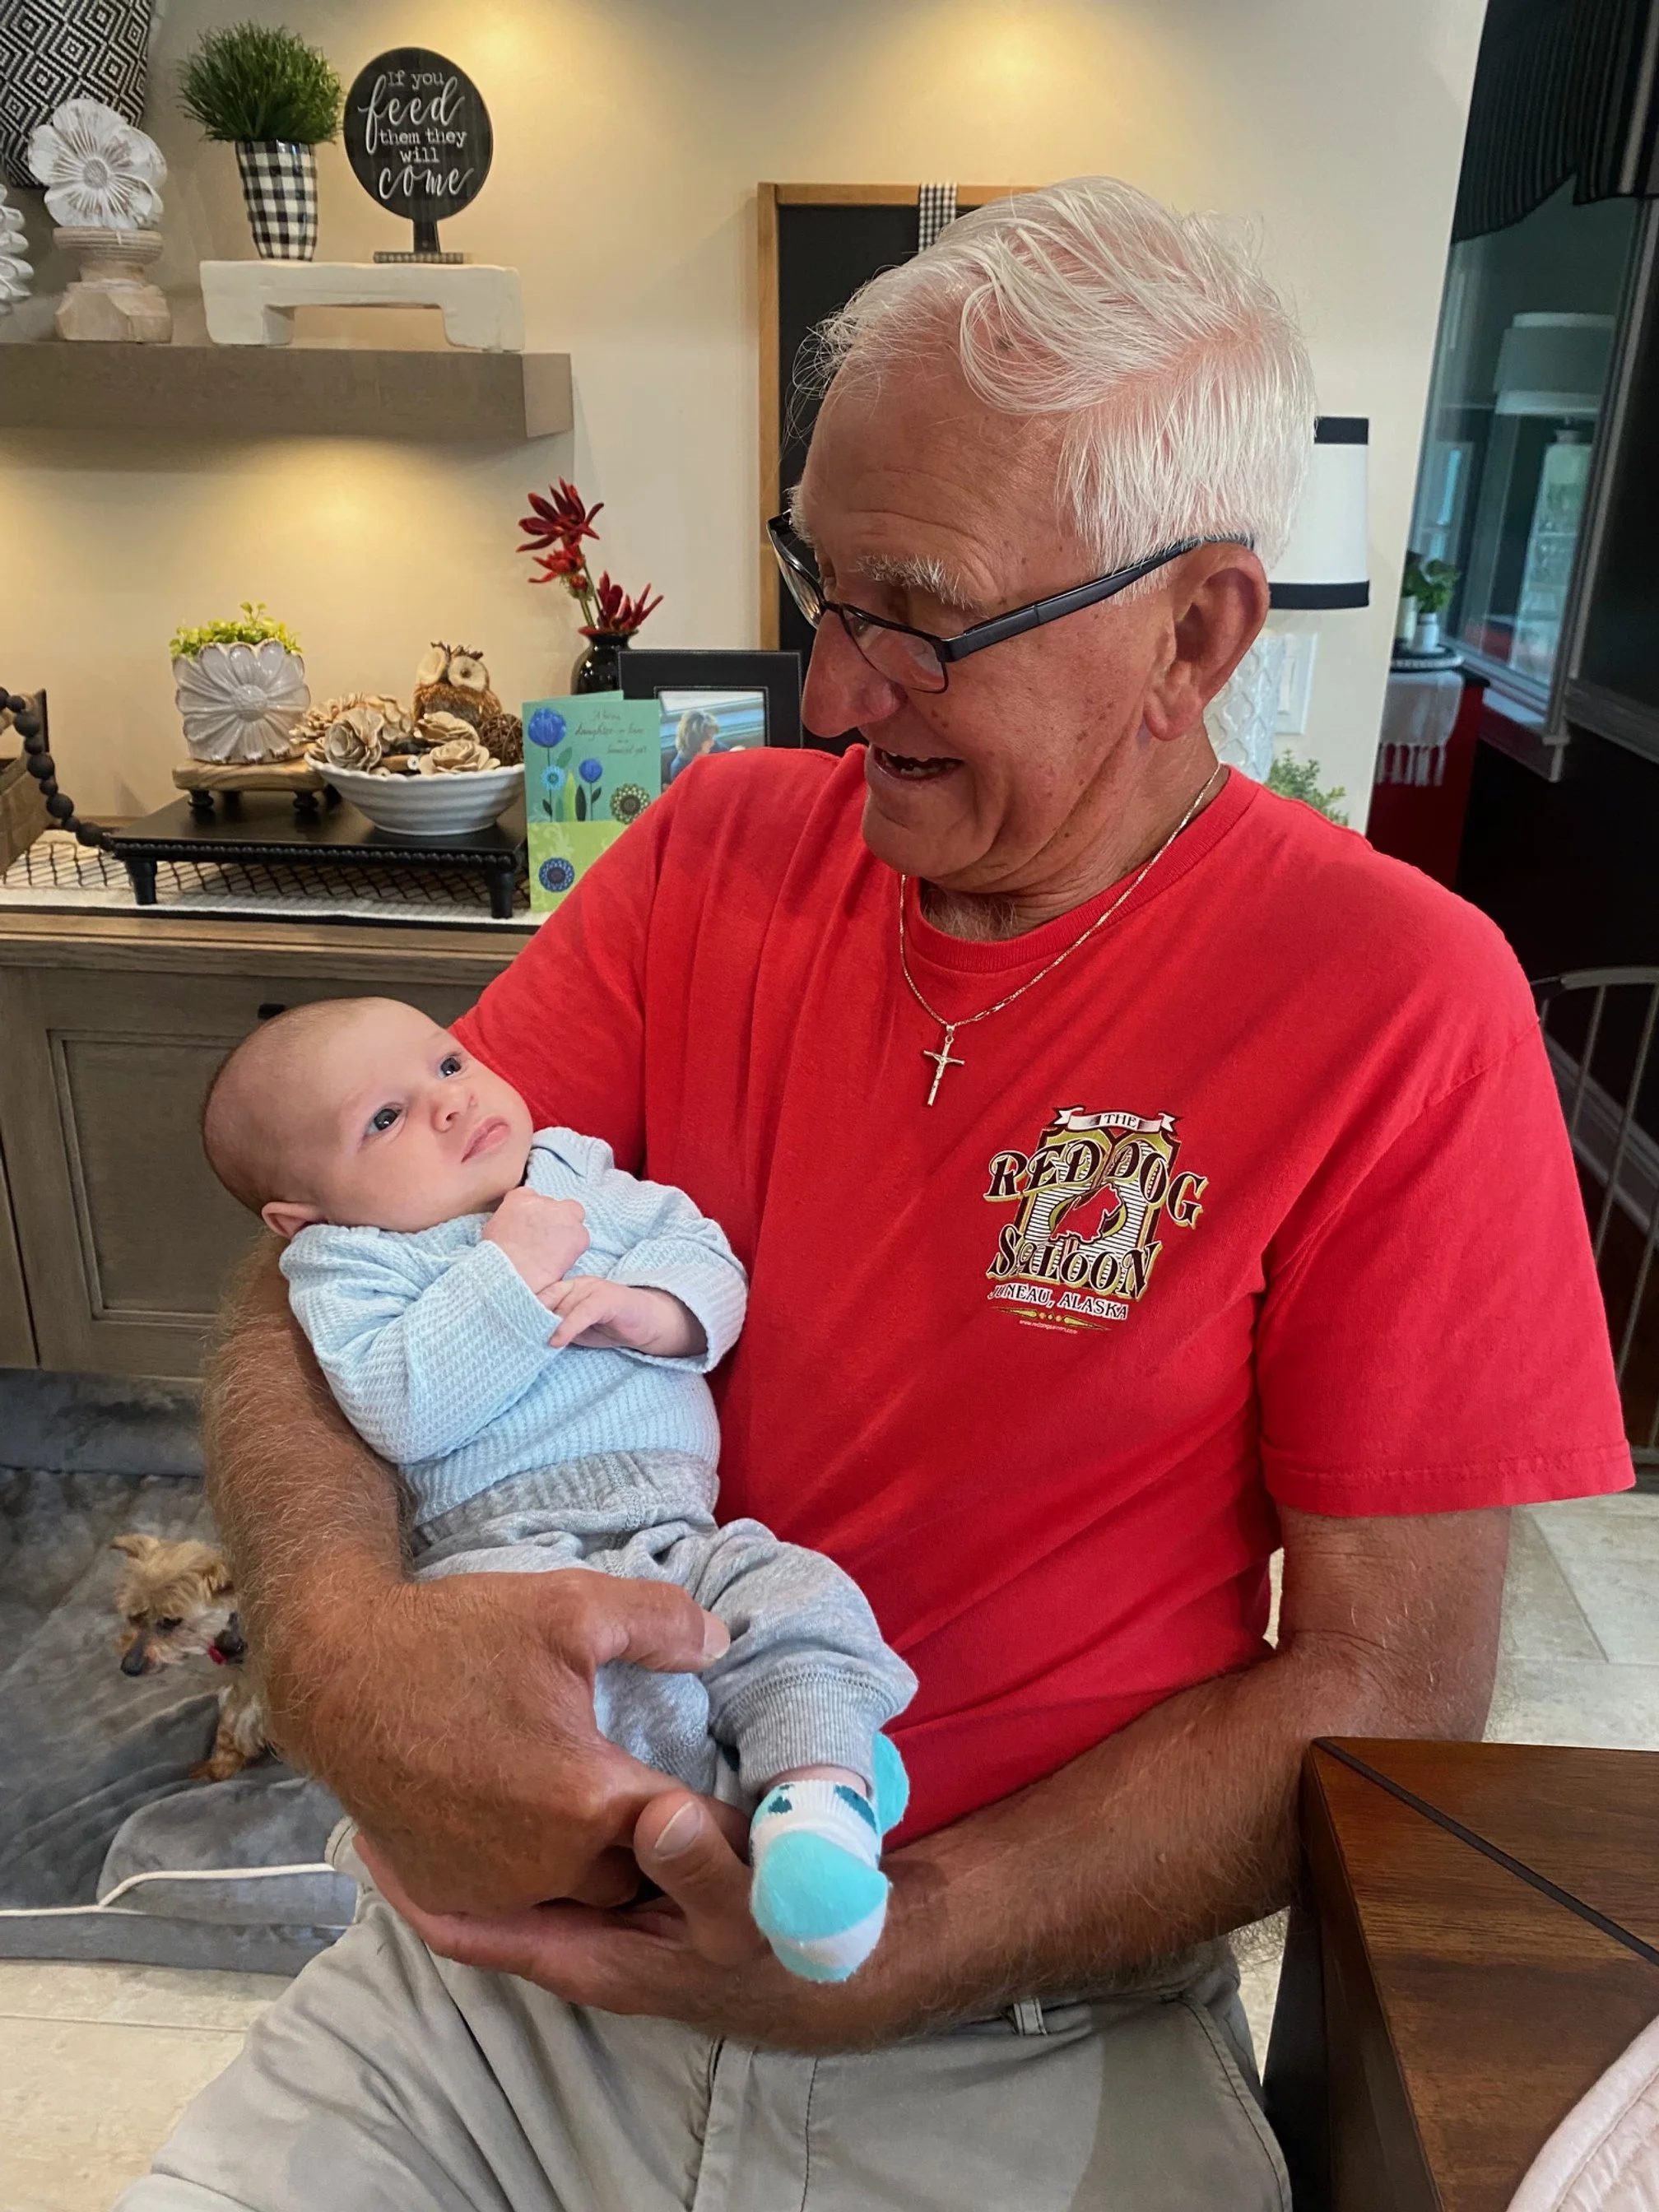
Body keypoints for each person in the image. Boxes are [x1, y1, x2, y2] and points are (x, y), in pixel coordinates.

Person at [123, 177, 1629, 2212]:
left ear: (1193, 634)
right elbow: (328, 1252)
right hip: (506, 2004)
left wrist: (916, 1942)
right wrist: (335, 1643)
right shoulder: (712, 849)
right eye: (819, 586)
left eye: (921, 619)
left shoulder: (1397, 1000)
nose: (832, 695)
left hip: (1022, 2030)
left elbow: (1389, 1685)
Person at [198, 995, 916, 1982]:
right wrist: (509, 1269)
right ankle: (770, 1786)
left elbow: (702, 1254)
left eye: (449, 1064)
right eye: (385, 1119)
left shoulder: (572, 1169)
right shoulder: (349, 1263)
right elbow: (405, 1407)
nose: (450, 1103)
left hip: (675, 1522)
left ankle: (816, 1793)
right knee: (559, 1702)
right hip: (501, 1552)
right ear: (303, 1215)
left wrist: (655, 1310)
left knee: (798, 1594)